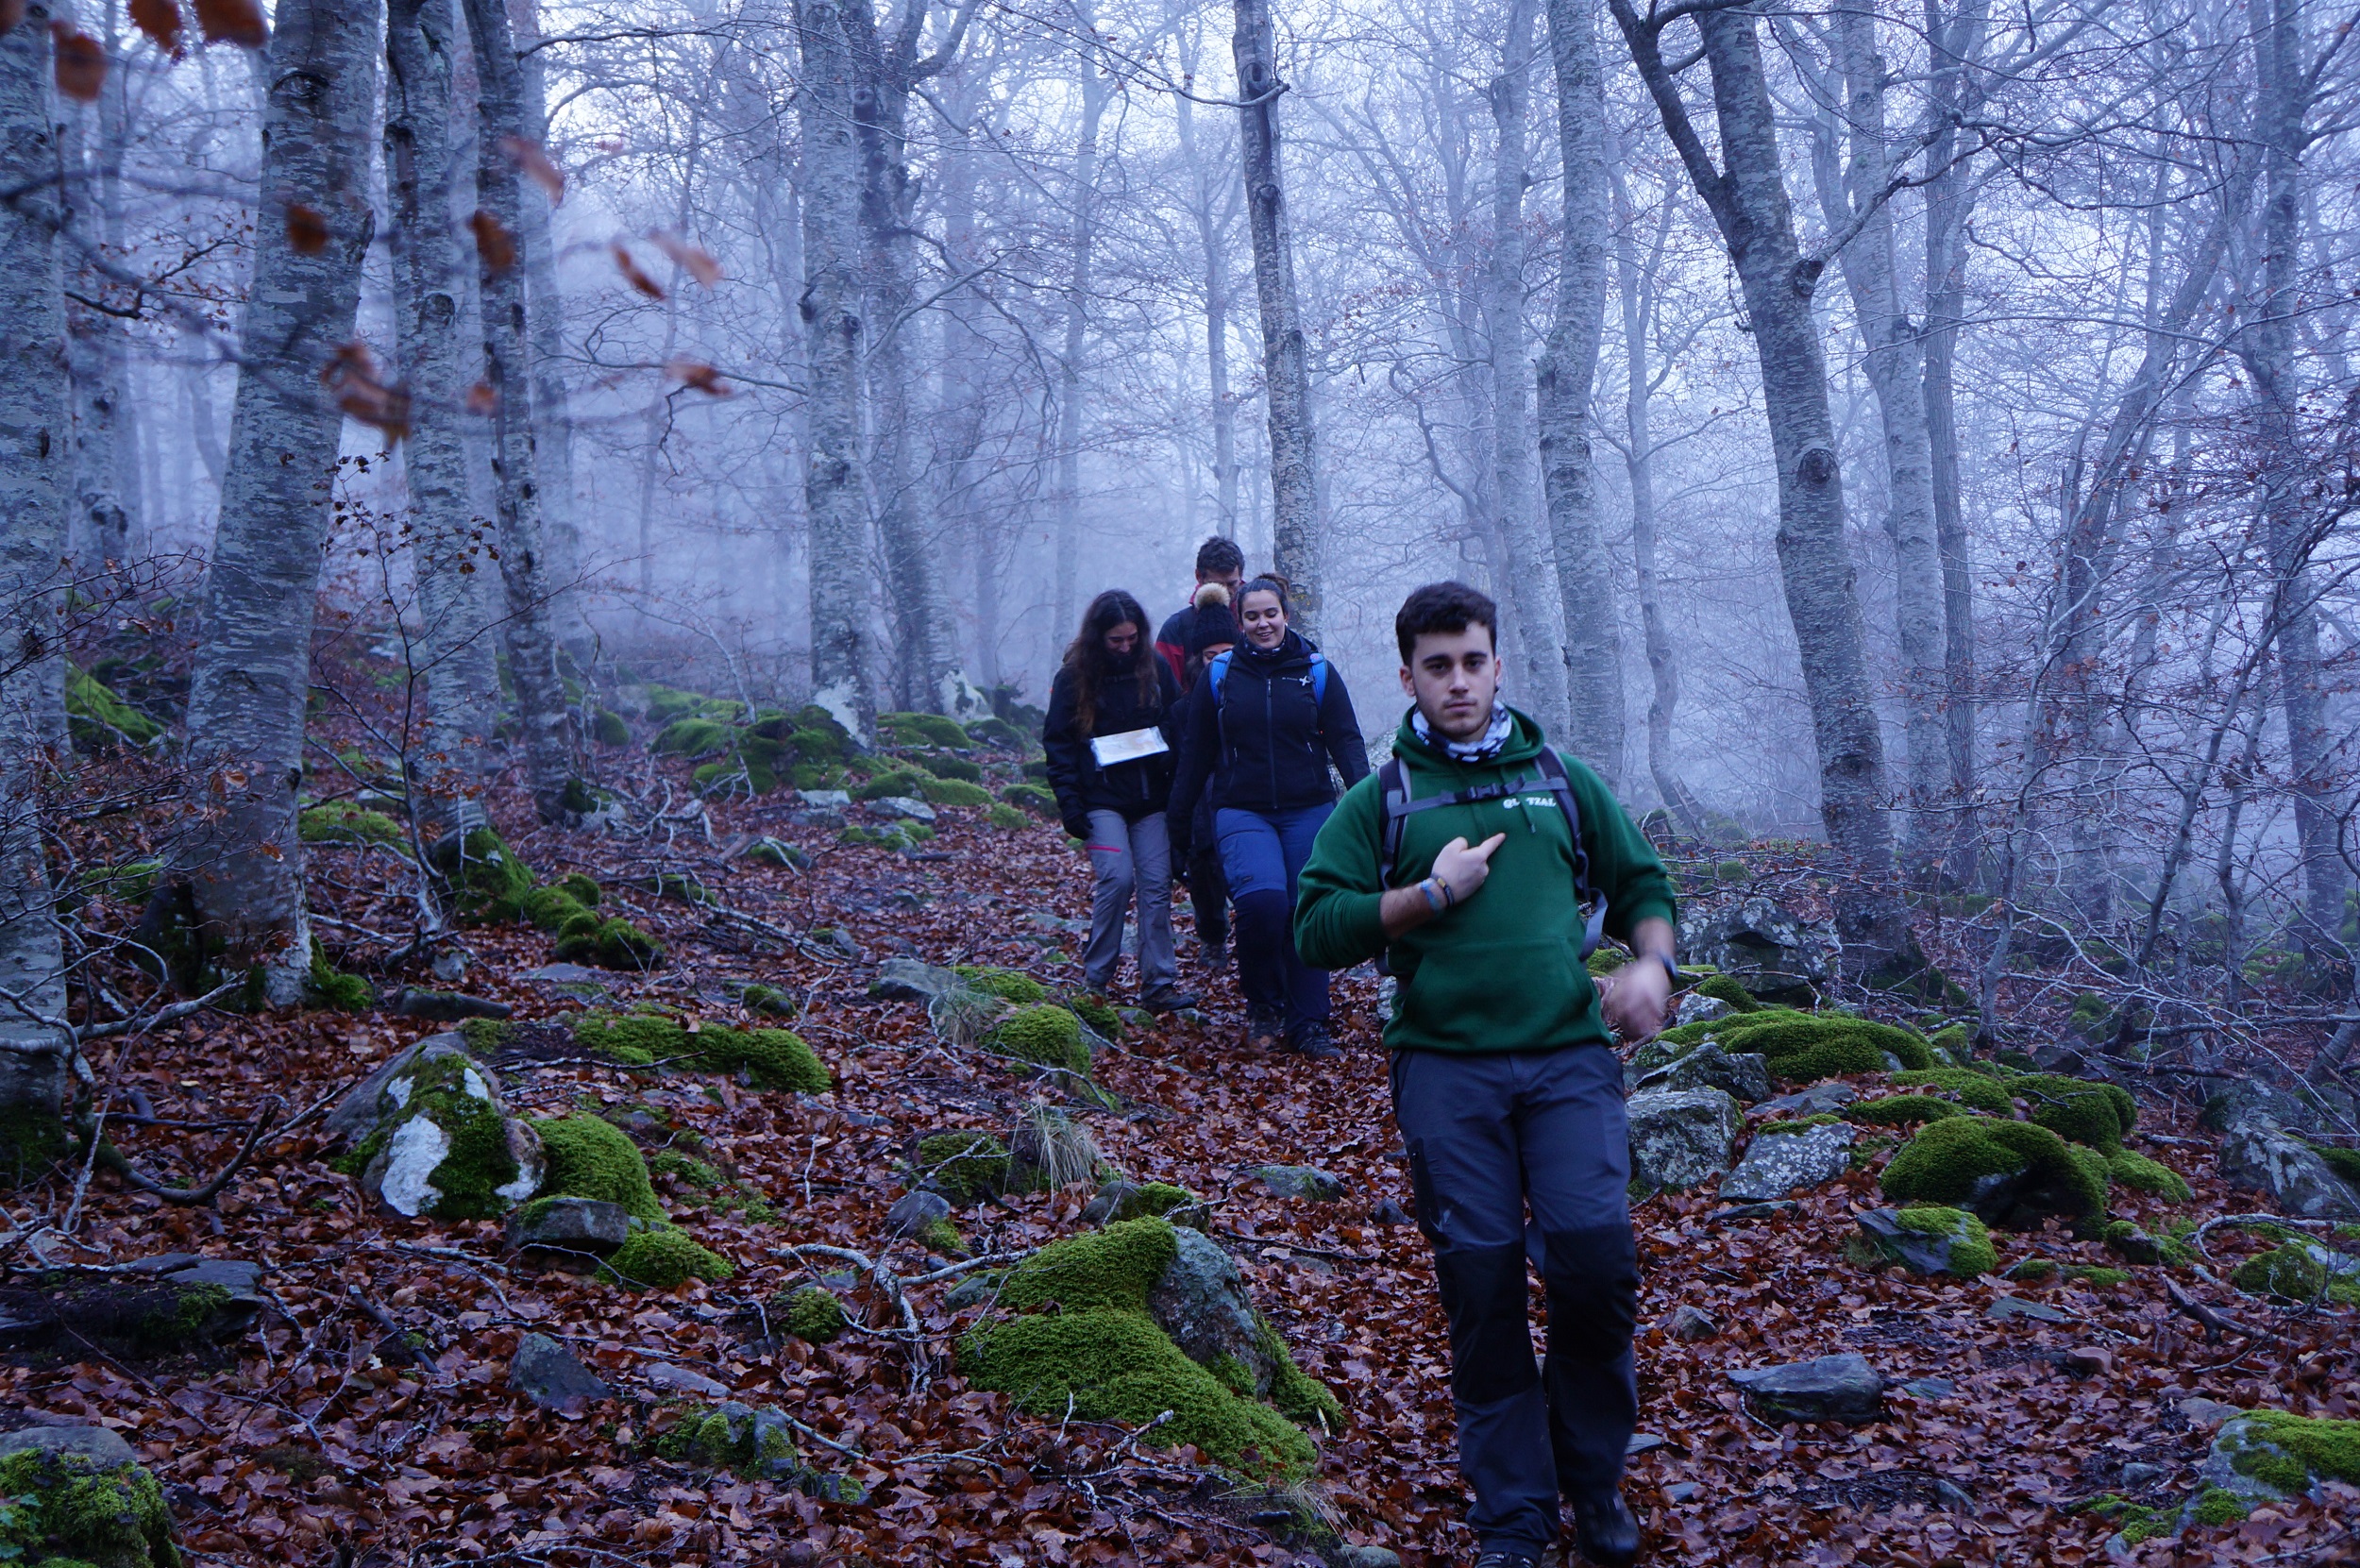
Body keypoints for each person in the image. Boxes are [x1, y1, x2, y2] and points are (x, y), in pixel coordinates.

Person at [1294, 582, 1677, 1568]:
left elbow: (1644, 884)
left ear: (1497, 662)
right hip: (1444, 1070)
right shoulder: (1382, 798)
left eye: (1473, 660)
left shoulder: (1560, 778)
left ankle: (1590, 1479)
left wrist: (1651, 963)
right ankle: (1512, 1508)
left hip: (1566, 1060)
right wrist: (1426, 893)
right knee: (1483, 1285)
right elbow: (1314, 924)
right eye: (1437, 665)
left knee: (1594, 1266)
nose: (1457, 681)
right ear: (1408, 676)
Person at [1168, 576, 1367, 1056]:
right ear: (1240, 620)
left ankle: (1309, 1024)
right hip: (1242, 809)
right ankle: (1263, 1004)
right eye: (1252, 616)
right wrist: (1177, 828)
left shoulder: (1316, 671)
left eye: (1270, 614)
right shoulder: (1220, 677)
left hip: (1310, 808)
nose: (1263, 624)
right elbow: (1195, 754)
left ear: (1285, 615)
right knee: (1262, 906)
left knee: (1305, 910)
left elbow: (1345, 740)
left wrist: (1367, 804)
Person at [1042, 590, 1197, 1013]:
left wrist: (1168, 754)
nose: (1126, 647)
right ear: (1099, 637)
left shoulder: (1156, 667)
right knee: (1116, 878)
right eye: (1116, 641)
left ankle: (1159, 984)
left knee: (1155, 885)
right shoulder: (1074, 678)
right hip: (1099, 800)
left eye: (1131, 638)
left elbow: (1174, 723)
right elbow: (1058, 744)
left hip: (1152, 799)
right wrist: (1069, 803)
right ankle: (1096, 980)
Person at [1174, 583, 1241, 970]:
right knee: (1202, 871)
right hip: (1200, 803)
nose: (1218, 662)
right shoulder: (1183, 710)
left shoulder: (1252, 699)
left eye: (1226, 654)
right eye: (1210, 655)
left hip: (1240, 795)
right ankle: (1212, 937)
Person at [1155, 535, 1247, 687]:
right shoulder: (1177, 628)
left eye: (1231, 584)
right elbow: (1165, 691)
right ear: (1199, 576)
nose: (1224, 591)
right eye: (1216, 584)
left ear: (1240, 577)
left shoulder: (1255, 621)